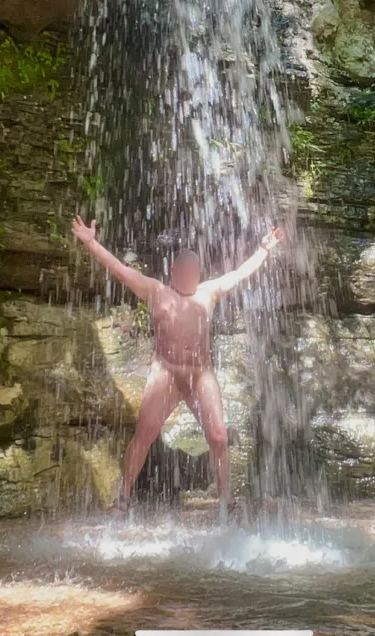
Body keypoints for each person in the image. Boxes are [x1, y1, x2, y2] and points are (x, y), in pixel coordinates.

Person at [71, 215, 284, 512]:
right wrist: (91, 243)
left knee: (219, 436)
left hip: (200, 374)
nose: (188, 277)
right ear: (173, 271)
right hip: (166, 373)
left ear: (198, 274)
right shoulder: (156, 291)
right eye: (183, 272)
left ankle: (226, 501)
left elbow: (240, 274)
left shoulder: (210, 291)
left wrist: (263, 249)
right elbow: (119, 269)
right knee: (144, 434)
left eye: (193, 273)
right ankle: (123, 499)